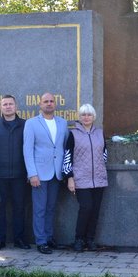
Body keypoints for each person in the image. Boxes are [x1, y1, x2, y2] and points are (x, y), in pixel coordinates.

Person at [0, 95, 31, 251]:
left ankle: (19, 239)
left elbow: (31, 150)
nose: (8, 107)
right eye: (5, 104)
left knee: (19, 208)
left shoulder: (25, 125)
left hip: (20, 176)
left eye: (11, 104)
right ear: (1, 107)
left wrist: (30, 173)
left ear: (16, 107)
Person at [23, 92, 68, 254]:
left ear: (55, 104)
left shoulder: (62, 123)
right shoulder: (32, 123)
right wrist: (32, 174)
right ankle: (41, 241)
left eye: (51, 101)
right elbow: (27, 150)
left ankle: (49, 238)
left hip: (56, 173)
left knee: (50, 208)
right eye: (45, 101)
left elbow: (64, 147)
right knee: (40, 209)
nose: (49, 104)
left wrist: (65, 171)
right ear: (40, 104)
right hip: (39, 174)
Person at [62, 104, 108, 252]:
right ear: (80, 117)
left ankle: (90, 239)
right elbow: (67, 157)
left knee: (95, 210)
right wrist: (69, 177)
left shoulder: (100, 133)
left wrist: (99, 167)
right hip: (81, 178)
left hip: (99, 179)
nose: (86, 117)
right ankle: (79, 239)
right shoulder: (73, 134)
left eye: (89, 115)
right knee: (86, 207)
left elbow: (104, 154)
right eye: (83, 115)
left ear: (93, 117)